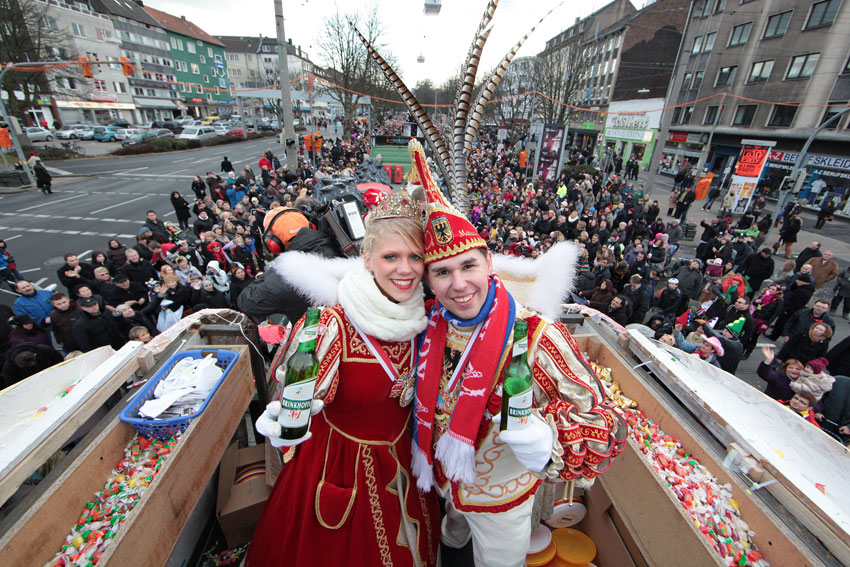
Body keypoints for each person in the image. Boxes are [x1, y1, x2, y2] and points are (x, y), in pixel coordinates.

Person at [405, 141, 625, 567]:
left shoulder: (536, 336)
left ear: (489, 262)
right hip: (443, 484)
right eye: (443, 272)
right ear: (429, 280)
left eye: (468, 266)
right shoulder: (428, 324)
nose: (459, 284)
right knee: (450, 544)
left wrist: (547, 440)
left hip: (502, 502)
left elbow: (606, 421)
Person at [248, 191, 440, 567]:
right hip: (341, 468)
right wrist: (281, 414)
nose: (406, 269)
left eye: (415, 256)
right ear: (367, 259)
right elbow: (295, 393)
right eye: (391, 257)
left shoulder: (427, 320)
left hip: (406, 460)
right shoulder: (332, 323)